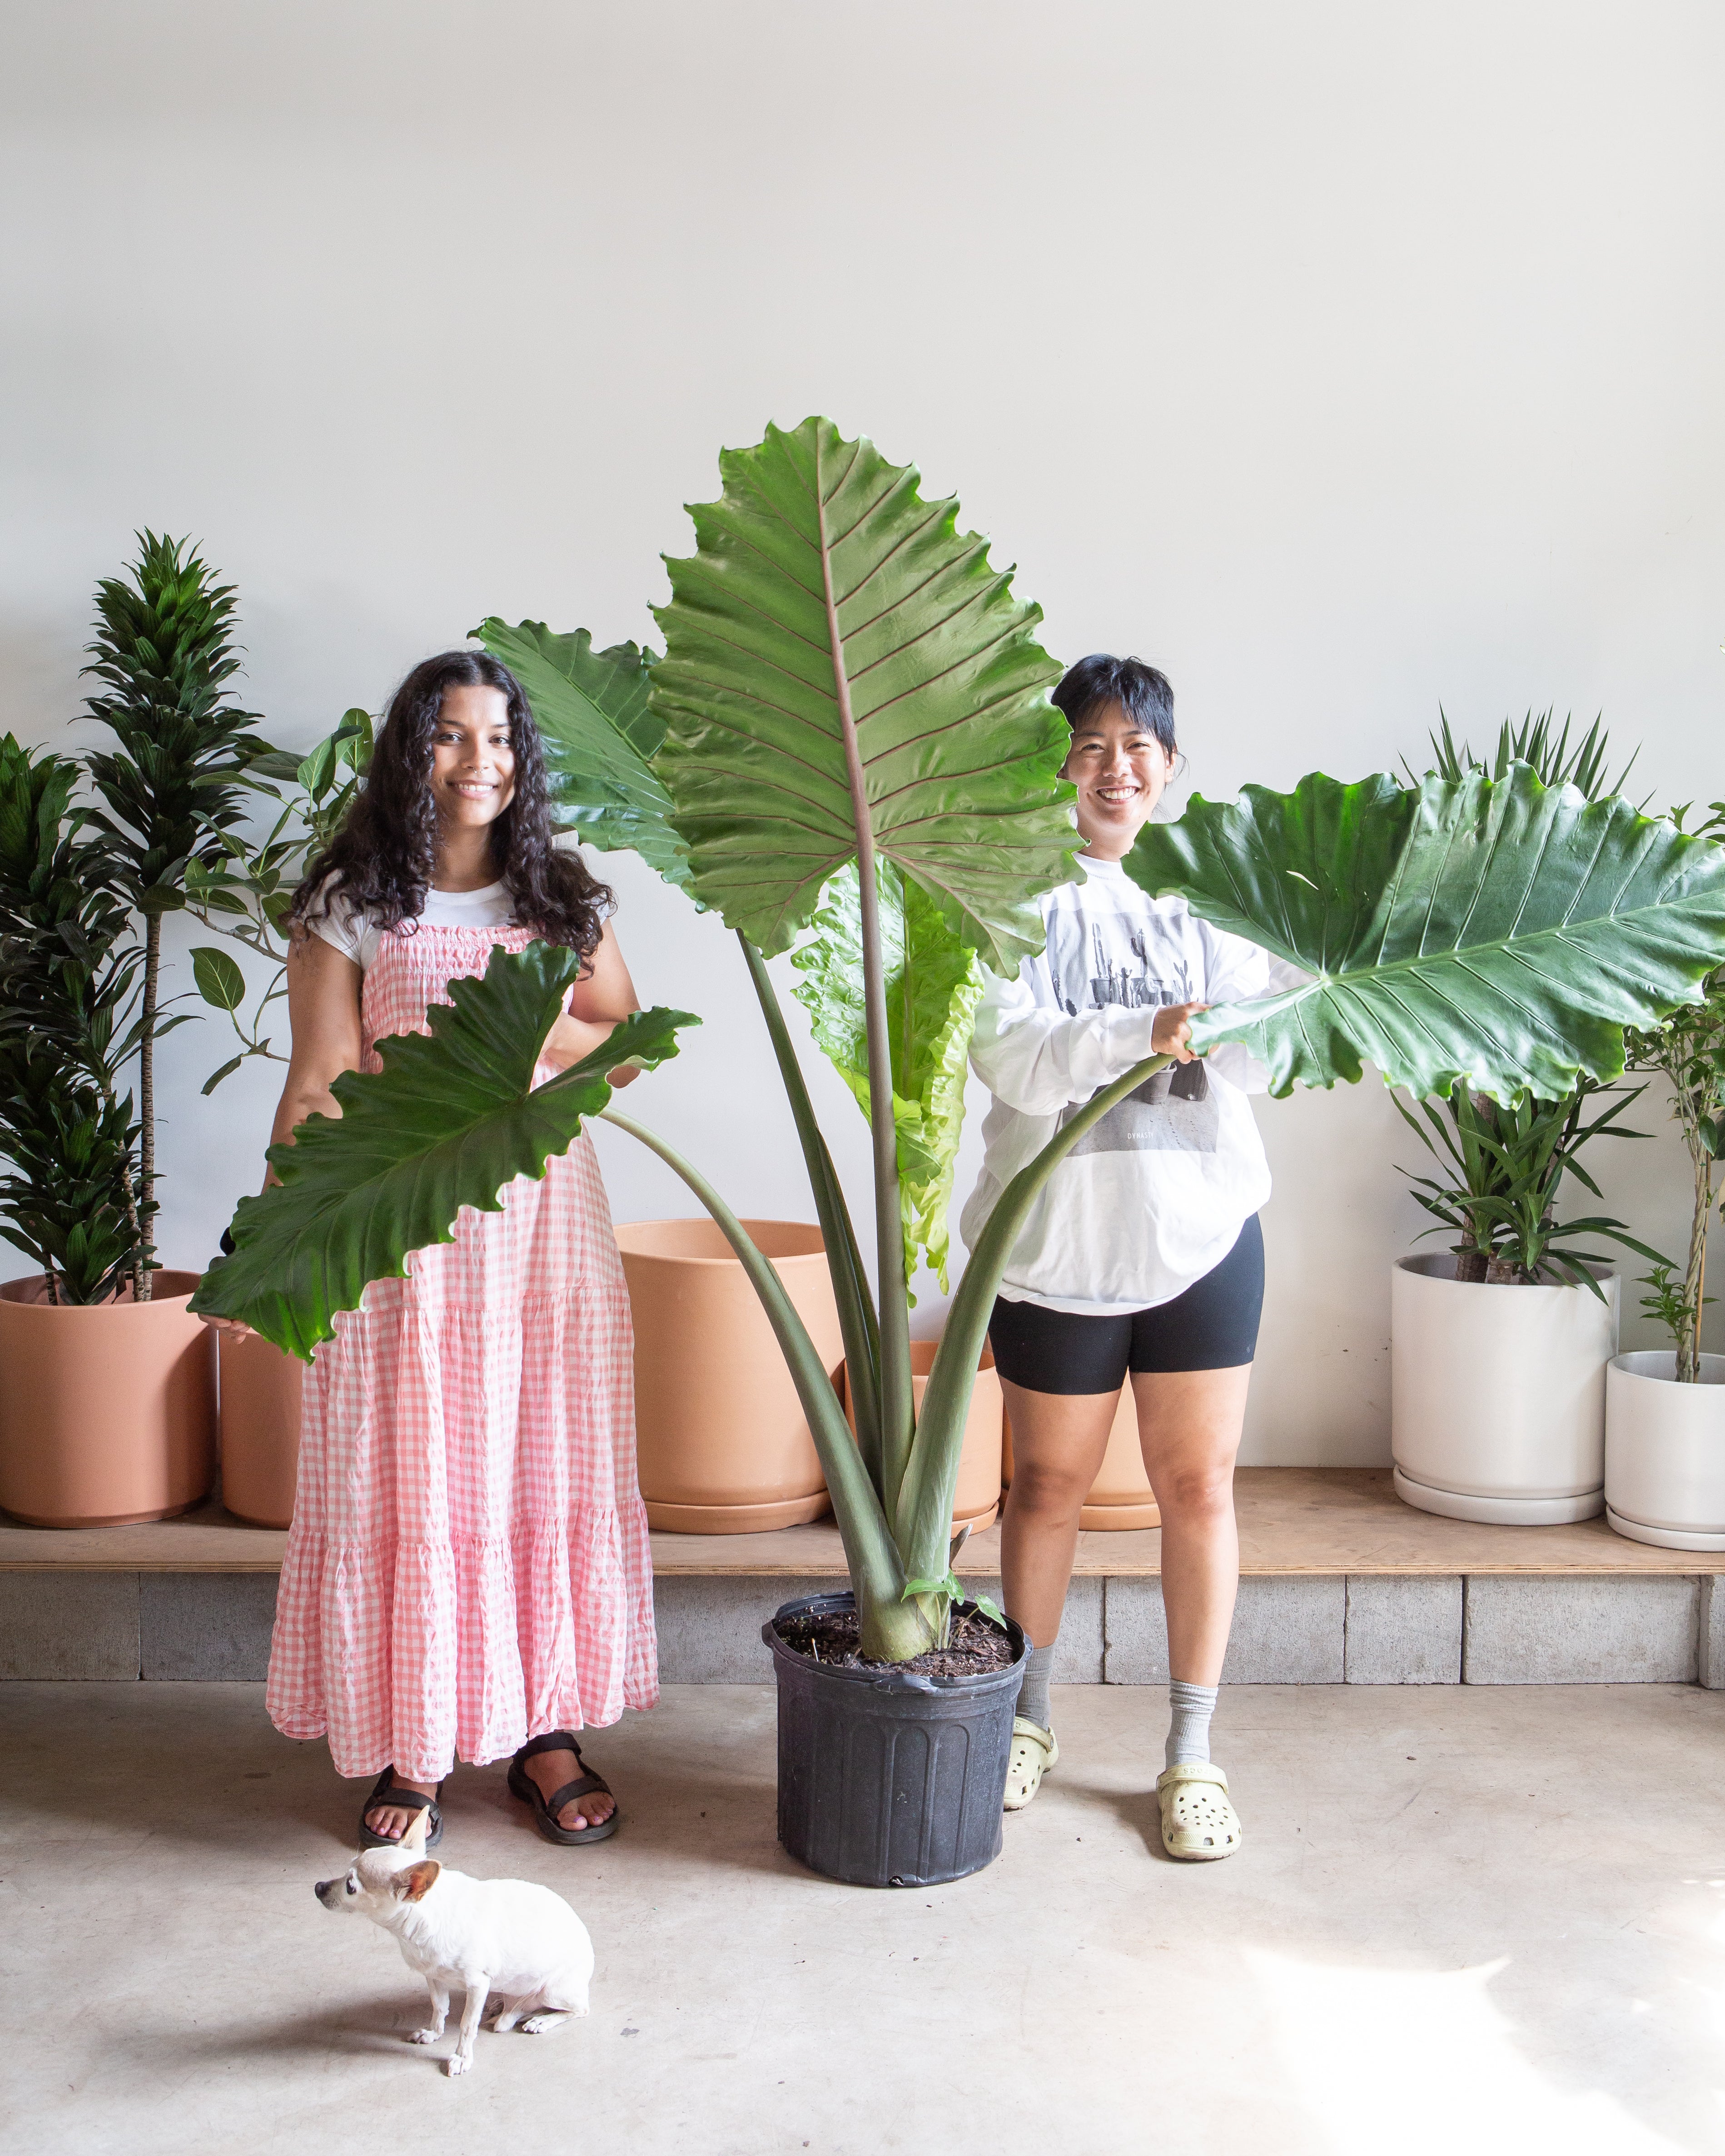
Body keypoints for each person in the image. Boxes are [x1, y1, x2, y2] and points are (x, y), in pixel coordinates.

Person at [222, 649, 656, 1851]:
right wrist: (280, 1246)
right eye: (454, 737)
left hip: (543, 1224)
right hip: (404, 1223)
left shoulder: (563, 894)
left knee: (541, 1461)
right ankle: (417, 1741)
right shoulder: (353, 900)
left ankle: (546, 1733)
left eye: (503, 738)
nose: (483, 763)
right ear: (412, 752)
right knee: (414, 1466)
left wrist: (537, 1056)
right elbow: (314, 1081)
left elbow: (623, 1032)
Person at [960, 653, 1272, 1861]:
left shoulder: (1211, 902)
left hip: (1202, 1235)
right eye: (1090, 744)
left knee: (1200, 1491)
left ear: (1170, 770)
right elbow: (1013, 1055)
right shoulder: (1006, 898)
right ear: (1059, 765)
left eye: (1137, 746)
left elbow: (1264, 1054)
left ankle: (1192, 1751)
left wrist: (1262, 1011)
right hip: (1057, 1245)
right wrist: (1139, 1029)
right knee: (1047, 1490)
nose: (1113, 765)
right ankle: (1026, 1720)